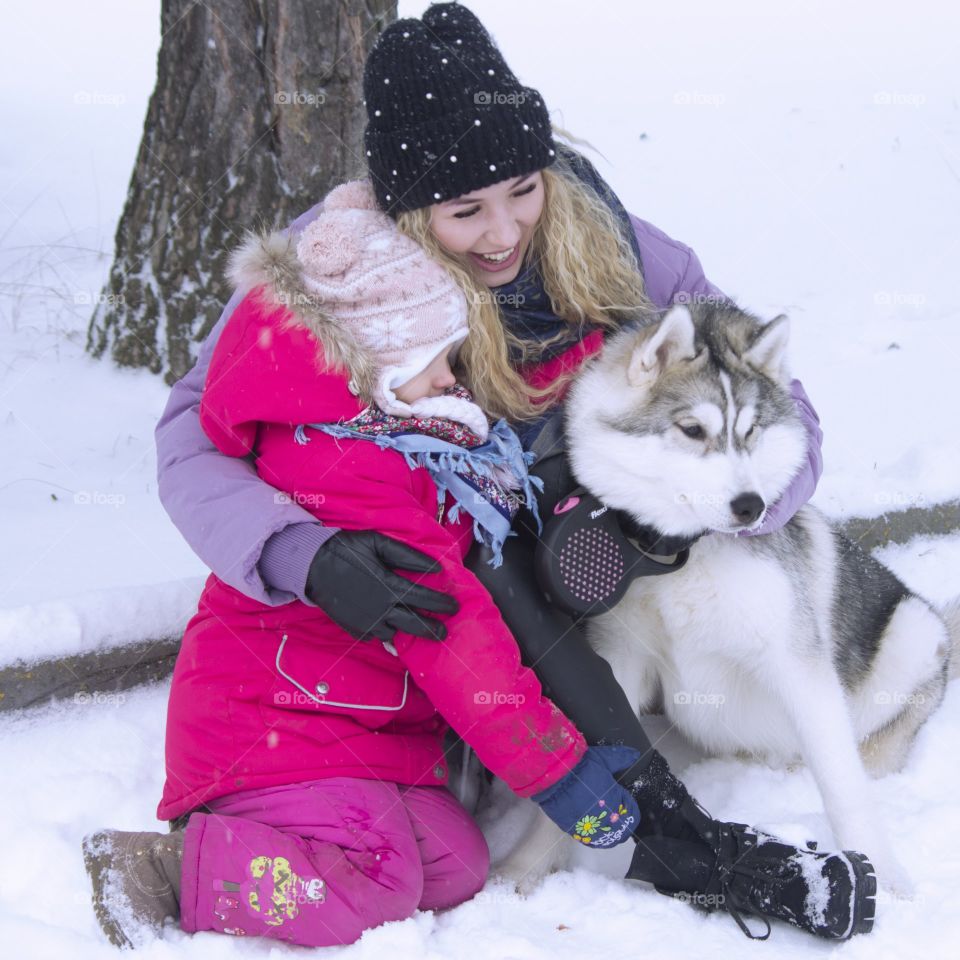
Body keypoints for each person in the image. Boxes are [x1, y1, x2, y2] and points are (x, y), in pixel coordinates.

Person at [149, 1, 875, 941]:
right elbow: (189, 441)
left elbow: (777, 405)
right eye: (464, 212)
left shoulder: (612, 242)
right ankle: (671, 840)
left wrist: (713, 505)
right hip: (445, 588)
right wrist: (302, 552)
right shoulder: (343, 275)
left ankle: (673, 833)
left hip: (574, 573)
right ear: (409, 212)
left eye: (522, 189)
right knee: (495, 592)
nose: (503, 232)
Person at [82, 181, 648, 948]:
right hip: (273, 727)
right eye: (435, 363)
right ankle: (173, 870)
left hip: (364, 736)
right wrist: (559, 775)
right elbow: (455, 640)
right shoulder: (353, 466)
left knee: (454, 868)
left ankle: (284, 844)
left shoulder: (417, 450)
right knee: (377, 885)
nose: (455, 379)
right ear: (378, 372)